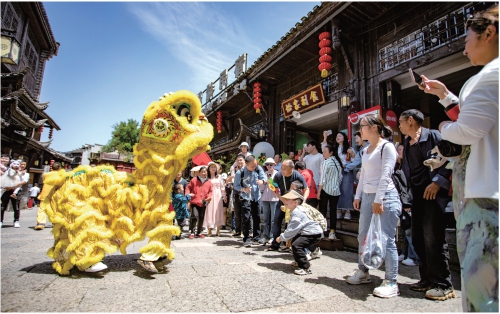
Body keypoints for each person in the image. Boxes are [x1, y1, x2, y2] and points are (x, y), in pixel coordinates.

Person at [419, 6, 498, 311]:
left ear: (488, 33)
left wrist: (443, 126)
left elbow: (466, 130)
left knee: (484, 288)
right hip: (484, 190)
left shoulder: (490, 76)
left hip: (485, 196)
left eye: (467, 39)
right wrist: (445, 96)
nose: (464, 48)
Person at [399, 109, 455, 301]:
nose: (399, 125)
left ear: (411, 121)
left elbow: (452, 158)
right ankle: (427, 279)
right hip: (417, 197)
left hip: (433, 195)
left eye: (401, 122)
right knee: (418, 238)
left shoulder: (435, 136)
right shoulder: (406, 142)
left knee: (433, 239)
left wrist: (438, 182)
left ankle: (444, 284)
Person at [346, 114, 402, 299]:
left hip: (385, 196)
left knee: (386, 239)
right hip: (368, 197)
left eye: (362, 126)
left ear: (375, 127)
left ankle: (391, 281)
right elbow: (363, 175)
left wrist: (379, 199)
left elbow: (387, 174)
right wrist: (358, 195)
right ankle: (363, 271)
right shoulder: (366, 150)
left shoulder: (387, 147)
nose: (359, 130)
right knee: (363, 235)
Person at [276, 190, 323, 275]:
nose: (285, 201)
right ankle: (299, 262)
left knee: (297, 245)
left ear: (295, 202)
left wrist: (282, 237)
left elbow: (292, 229)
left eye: (288, 200)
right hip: (309, 233)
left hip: (312, 234)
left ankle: (305, 267)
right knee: (295, 243)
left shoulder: (297, 212)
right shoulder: (295, 210)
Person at [266, 159, 309, 252]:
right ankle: (275, 244)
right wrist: (281, 199)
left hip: (294, 203)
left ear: (291, 169)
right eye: (281, 167)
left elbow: (306, 189)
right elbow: (274, 189)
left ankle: (289, 245)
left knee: (290, 223)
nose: (282, 170)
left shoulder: (297, 175)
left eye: (284, 168)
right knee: (276, 220)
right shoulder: (278, 175)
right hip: (282, 200)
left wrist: (303, 201)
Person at [233, 155, 266, 247]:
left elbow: (264, 178)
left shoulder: (258, 168)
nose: (254, 167)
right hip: (246, 198)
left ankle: (256, 237)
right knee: (246, 218)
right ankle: (246, 238)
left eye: (255, 165)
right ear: (246, 164)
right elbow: (236, 186)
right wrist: (244, 189)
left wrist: (262, 181)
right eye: (252, 166)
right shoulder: (240, 173)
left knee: (257, 217)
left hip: (257, 197)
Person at [396, 144, 419, 267]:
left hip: (408, 200)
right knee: (404, 229)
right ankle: (404, 253)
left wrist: (408, 201)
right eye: (398, 149)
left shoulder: (408, 165)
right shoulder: (399, 165)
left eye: (401, 149)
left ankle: (414, 256)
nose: (399, 151)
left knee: (409, 229)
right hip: (401, 201)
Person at [317, 144, 343, 240]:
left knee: (323, 211)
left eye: (325, 152)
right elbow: (340, 178)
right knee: (333, 212)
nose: (323, 154)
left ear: (331, 153)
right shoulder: (338, 162)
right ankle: (332, 232)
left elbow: (322, 179)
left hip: (325, 189)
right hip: (336, 190)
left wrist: (319, 191)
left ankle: (322, 231)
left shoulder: (326, 162)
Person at [333, 132, 356, 220]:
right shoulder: (335, 149)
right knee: (337, 190)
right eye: (336, 136)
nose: (337, 137)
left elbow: (354, 160)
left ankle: (347, 211)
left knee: (347, 190)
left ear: (344, 138)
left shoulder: (349, 148)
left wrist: (352, 154)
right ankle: (338, 210)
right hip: (337, 171)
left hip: (346, 170)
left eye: (339, 136)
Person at [185, 166, 212, 239]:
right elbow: (188, 187)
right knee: (195, 216)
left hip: (203, 202)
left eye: (205, 171)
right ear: (199, 173)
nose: (204, 173)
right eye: (202, 172)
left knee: (201, 217)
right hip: (195, 201)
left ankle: (199, 232)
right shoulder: (194, 180)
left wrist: (209, 197)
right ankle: (192, 232)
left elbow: (210, 191)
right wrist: (188, 194)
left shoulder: (209, 181)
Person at [34, 162, 62, 230]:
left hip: (45, 193)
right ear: (59, 168)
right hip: (55, 194)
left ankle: (40, 223)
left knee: (42, 209)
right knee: (55, 209)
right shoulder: (61, 175)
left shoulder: (45, 174)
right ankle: (55, 222)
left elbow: (44, 181)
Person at [259, 157, 279, 245]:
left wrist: (271, 182)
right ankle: (265, 236)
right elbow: (262, 188)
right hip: (265, 198)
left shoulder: (277, 174)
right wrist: (263, 183)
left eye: (271, 164)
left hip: (274, 198)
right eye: (267, 164)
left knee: (273, 219)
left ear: (274, 165)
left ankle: (272, 236)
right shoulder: (264, 174)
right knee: (266, 219)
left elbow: (278, 187)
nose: (269, 166)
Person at [204, 162, 226, 237]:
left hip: (218, 196)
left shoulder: (219, 177)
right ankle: (209, 230)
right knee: (209, 211)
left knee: (218, 211)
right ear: (209, 169)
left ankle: (218, 230)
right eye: (212, 167)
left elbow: (222, 187)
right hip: (210, 196)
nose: (213, 168)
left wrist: (224, 196)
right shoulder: (206, 178)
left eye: (214, 167)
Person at [227, 154, 246, 237]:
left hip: (245, 194)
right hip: (236, 193)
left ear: (244, 161)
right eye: (238, 160)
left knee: (245, 214)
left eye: (241, 160)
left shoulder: (247, 170)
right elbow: (229, 183)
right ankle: (238, 231)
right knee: (237, 213)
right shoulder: (234, 171)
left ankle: (245, 231)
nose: (239, 162)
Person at [1, 160, 23, 228]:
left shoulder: (19, 172)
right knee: (2, 207)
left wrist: (18, 172)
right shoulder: (9, 170)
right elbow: (10, 175)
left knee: (16, 207)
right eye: (14, 164)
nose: (16, 166)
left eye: (17, 164)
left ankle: (16, 221)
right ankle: (0, 221)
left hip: (15, 190)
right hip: (7, 189)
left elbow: (21, 181)